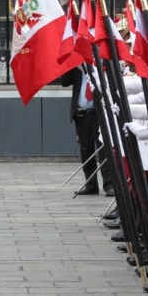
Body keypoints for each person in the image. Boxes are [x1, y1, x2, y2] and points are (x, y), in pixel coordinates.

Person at [60, 63, 114, 196]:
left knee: (104, 150)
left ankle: (109, 184)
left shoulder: (100, 66)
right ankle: (91, 184)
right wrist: (69, 63)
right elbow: (64, 82)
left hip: (99, 114)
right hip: (82, 114)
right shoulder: (78, 67)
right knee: (86, 151)